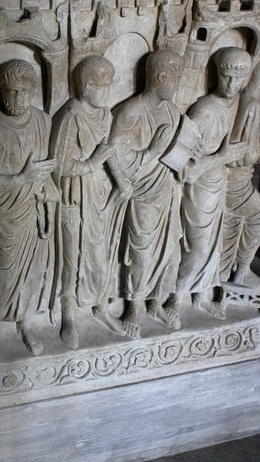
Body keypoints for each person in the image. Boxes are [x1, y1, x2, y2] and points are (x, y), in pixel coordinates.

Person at [0, 59, 57, 358]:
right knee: (4, 276)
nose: (18, 98)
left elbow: (49, 169)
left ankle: (24, 320)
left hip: (36, 212)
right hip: (8, 216)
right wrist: (23, 177)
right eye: (11, 91)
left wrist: (48, 187)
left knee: (34, 273)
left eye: (24, 92)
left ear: (33, 91)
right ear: (1, 92)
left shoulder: (44, 122)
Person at [50, 54, 131, 348]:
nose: (107, 91)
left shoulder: (105, 115)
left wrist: (121, 180)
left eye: (109, 85)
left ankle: (101, 307)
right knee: (71, 259)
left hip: (99, 196)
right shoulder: (70, 115)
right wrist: (91, 163)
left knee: (100, 255)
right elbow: (59, 165)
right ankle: (69, 317)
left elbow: (107, 150)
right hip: (73, 197)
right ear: (86, 86)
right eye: (102, 86)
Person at [109, 49, 189, 338]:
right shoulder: (130, 112)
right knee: (140, 254)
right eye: (175, 78)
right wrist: (153, 151)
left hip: (168, 191)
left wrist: (183, 163)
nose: (177, 84)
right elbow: (116, 159)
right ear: (161, 77)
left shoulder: (172, 110)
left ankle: (156, 302)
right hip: (143, 194)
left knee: (172, 253)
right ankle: (133, 308)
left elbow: (177, 148)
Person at [174, 46, 252, 319]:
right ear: (217, 75)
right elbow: (184, 166)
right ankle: (174, 299)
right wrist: (221, 156)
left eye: (237, 79)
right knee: (197, 247)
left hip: (218, 184)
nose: (231, 85)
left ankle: (200, 295)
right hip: (197, 189)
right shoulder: (204, 109)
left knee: (212, 246)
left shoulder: (240, 106)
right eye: (226, 77)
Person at [219, 51, 260, 289]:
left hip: (236, 178)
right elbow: (244, 154)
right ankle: (241, 270)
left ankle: (238, 268)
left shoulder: (245, 98)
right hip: (236, 181)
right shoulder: (252, 105)